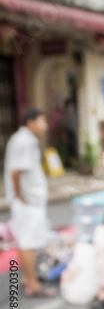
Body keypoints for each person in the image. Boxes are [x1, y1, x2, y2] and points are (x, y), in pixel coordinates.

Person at [4, 108, 54, 297]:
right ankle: (33, 285)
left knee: (26, 239)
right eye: (43, 121)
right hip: (27, 202)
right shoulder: (25, 141)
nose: (46, 125)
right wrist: (20, 195)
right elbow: (16, 172)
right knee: (28, 242)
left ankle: (28, 277)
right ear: (30, 122)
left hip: (28, 200)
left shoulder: (24, 139)